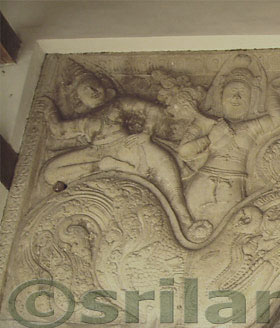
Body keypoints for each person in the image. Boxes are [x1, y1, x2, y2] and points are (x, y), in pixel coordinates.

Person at [41, 61, 212, 242]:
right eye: (85, 89)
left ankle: (187, 223)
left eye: (94, 85)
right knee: (51, 172)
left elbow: (151, 110)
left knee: (172, 186)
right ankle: (104, 167)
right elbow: (58, 131)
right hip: (97, 153)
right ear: (78, 98)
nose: (92, 91)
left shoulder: (119, 104)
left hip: (127, 146)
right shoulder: (84, 121)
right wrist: (46, 107)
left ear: (105, 87)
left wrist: (146, 133)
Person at [168, 54, 280, 225]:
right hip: (202, 182)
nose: (236, 98)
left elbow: (278, 120)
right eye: (232, 92)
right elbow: (184, 151)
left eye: (242, 93)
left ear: (252, 99)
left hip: (233, 184)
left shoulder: (251, 127)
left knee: (229, 231)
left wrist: (273, 91)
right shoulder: (203, 124)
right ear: (220, 96)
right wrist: (209, 138)